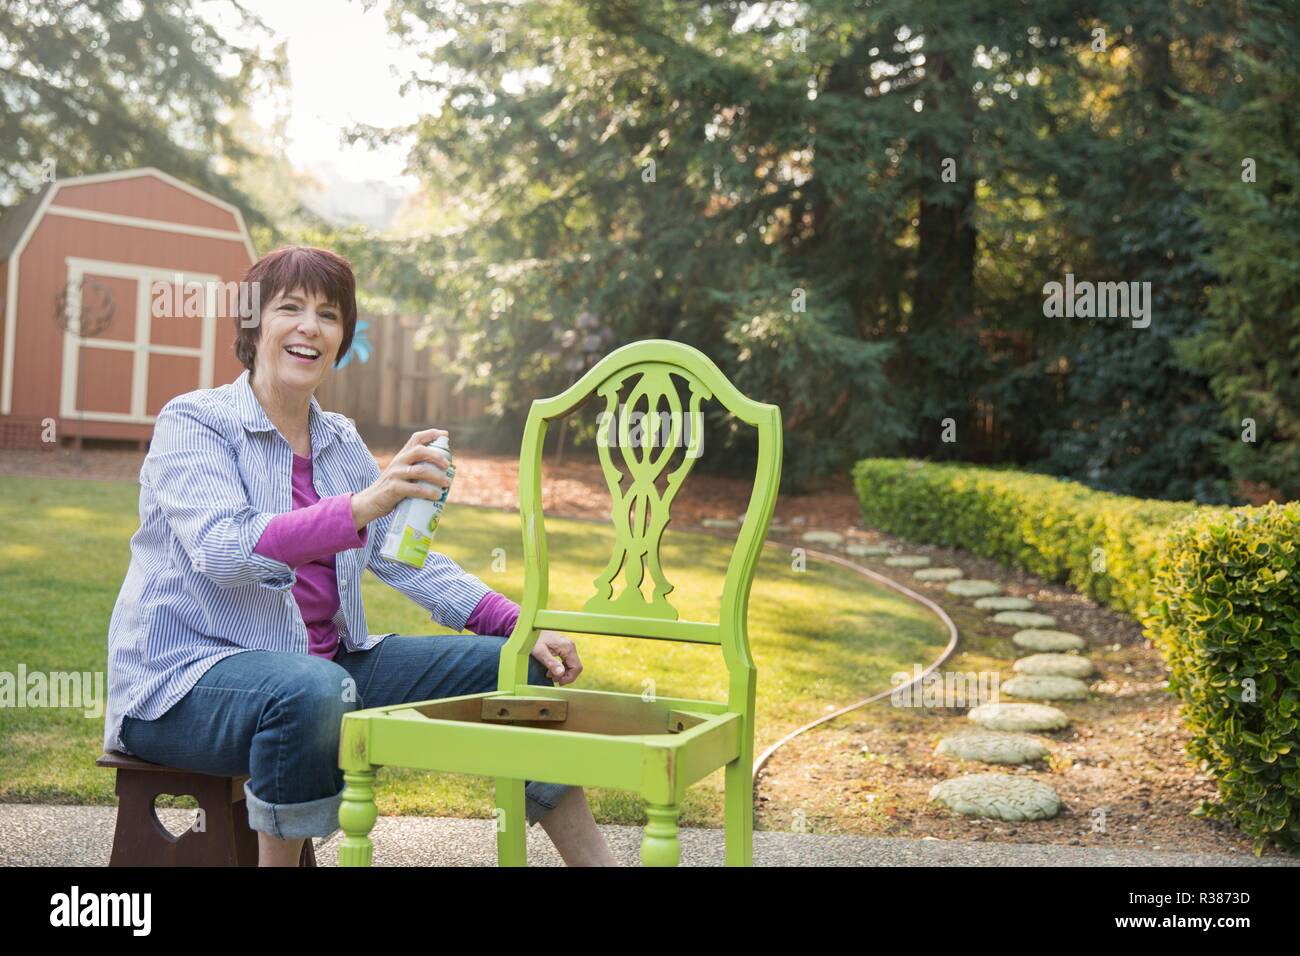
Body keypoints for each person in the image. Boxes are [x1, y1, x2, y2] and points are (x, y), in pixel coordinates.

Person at [103, 245, 617, 866]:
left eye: (328, 314)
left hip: (327, 668)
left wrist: (519, 627)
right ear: (254, 324)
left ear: (342, 336)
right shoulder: (196, 422)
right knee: (310, 690)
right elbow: (223, 549)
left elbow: (405, 559)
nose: (309, 327)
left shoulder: (337, 438)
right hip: (183, 683)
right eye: (289, 308)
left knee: (517, 673)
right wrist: (363, 505)